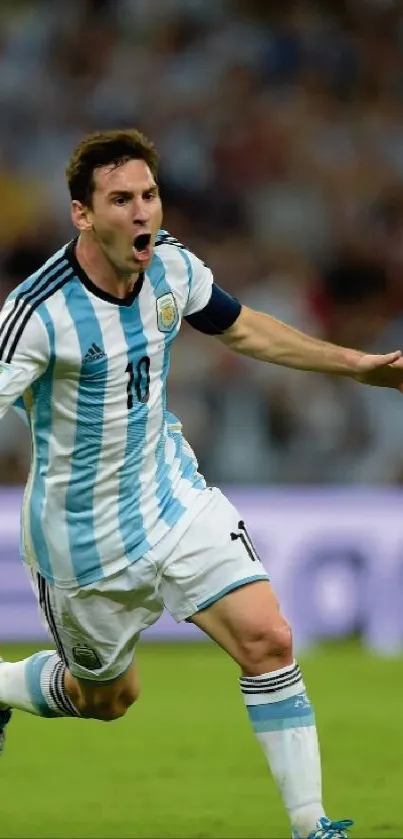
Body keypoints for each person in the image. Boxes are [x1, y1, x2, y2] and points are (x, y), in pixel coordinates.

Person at [1, 130, 403, 839]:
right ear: (82, 214)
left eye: (148, 195)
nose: (140, 213)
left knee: (268, 637)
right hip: (82, 541)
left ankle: (312, 825)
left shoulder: (172, 268)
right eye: (119, 199)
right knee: (106, 697)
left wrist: (355, 363)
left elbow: (242, 328)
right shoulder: (38, 313)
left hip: (171, 496)